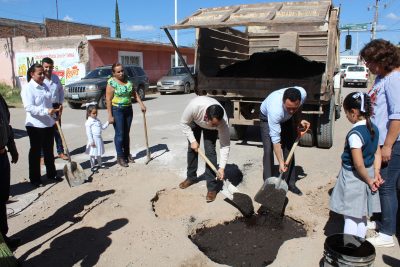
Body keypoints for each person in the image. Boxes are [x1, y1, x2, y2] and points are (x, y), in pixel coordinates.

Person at [359, 39, 400, 247]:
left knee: (386, 186)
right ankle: (384, 221)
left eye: (371, 61)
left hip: (390, 143)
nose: (368, 66)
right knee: (382, 182)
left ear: (383, 59)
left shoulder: (394, 79)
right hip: (379, 141)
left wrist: (388, 146)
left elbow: (397, 116)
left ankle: (387, 233)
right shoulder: (380, 78)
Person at [330, 92, 383, 239]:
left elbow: (358, 164)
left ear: (353, 112)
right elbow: (377, 153)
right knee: (361, 215)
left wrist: (368, 179)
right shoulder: (374, 128)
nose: (346, 116)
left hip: (355, 178)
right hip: (369, 174)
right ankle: (359, 244)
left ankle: (350, 248)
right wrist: (376, 173)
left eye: (346, 113)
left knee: (351, 216)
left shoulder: (355, 134)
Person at [178, 96, 230, 203]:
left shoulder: (222, 122)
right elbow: (183, 123)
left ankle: (211, 188)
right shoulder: (194, 107)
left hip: (209, 127)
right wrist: (192, 140)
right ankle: (191, 177)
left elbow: (225, 145)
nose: (216, 125)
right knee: (192, 149)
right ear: (206, 117)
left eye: (217, 124)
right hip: (195, 121)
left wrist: (222, 168)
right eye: (214, 124)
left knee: (210, 152)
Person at [259, 86, 310, 196]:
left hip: (286, 119)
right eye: (288, 108)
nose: (291, 111)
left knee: (289, 147)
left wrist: (299, 121)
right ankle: (268, 185)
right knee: (268, 149)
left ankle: (290, 183)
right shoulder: (275, 110)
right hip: (266, 118)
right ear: (283, 101)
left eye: (294, 108)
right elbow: (276, 141)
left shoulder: (303, 94)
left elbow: (297, 110)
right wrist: (281, 163)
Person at [21, 63, 61, 187]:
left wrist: (55, 114)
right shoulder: (28, 88)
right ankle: (35, 178)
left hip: (48, 123)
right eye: (40, 74)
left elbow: (49, 103)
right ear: (32, 74)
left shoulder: (45, 86)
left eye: (43, 73)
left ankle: (52, 173)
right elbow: (29, 108)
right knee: (36, 152)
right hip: (35, 125)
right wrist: (46, 111)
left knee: (49, 150)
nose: (43, 75)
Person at [106, 63, 146, 167]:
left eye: (122, 71)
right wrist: (110, 115)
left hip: (128, 109)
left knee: (126, 133)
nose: (121, 73)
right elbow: (108, 99)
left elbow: (134, 94)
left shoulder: (128, 81)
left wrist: (141, 104)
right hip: (117, 110)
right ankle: (120, 157)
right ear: (113, 73)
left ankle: (127, 154)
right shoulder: (111, 83)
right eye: (118, 72)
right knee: (119, 134)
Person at [0, 93, 20, 250]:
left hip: (2, 155)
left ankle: (3, 237)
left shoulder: (0, 98)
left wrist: (12, 146)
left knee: (2, 198)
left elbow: (7, 123)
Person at [42, 57, 68, 160]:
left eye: (50, 67)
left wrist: (61, 103)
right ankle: (44, 155)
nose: (48, 69)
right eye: (46, 67)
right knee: (45, 132)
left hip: (56, 106)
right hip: (45, 108)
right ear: (43, 66)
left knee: (57, 130)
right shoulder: (40, 79)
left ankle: (60, 152)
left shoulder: (55, 78)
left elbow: (61, 91)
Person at [85, 104, 110, 172]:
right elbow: (88, 133)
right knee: (92, 154)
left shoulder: (97, 120)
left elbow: (103, 127)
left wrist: (108, 122)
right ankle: (92, 167)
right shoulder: (88, 122)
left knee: (98, 153)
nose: (95, 114)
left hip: (99, 139)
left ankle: (100, 164)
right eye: (93, 113)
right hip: (93, 140)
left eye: (96, 113)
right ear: (89, 113)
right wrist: (91, 141)